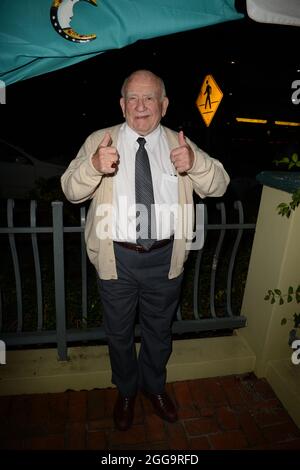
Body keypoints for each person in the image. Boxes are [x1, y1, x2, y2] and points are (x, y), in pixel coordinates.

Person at [61, 69, 229, 431]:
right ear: (122, 104)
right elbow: (71, 190)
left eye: (149, 98)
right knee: (119, 333)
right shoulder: (99, 141)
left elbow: (219, 185)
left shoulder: (178, 143)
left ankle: (154, 387)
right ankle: (125, 391)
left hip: (165, 259)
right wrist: (92, 167)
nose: (141, 106)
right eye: (133, 98)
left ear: (163, 105)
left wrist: (195, 164)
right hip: (116, 258)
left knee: (158, 331)